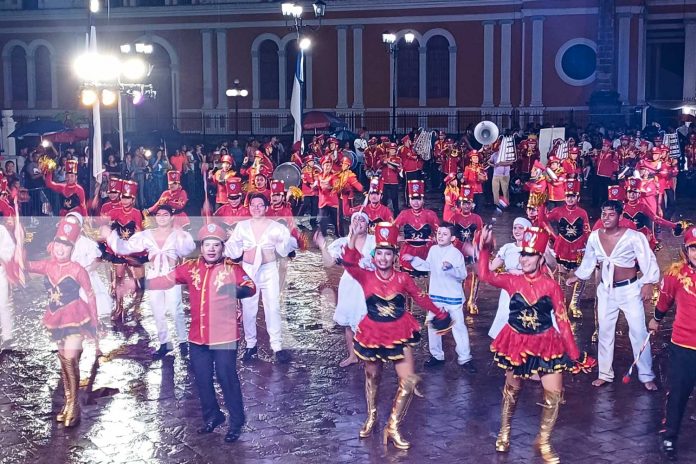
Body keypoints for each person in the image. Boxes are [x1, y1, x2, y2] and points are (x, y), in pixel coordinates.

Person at [478, 225, 594, 463]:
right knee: (512, 391)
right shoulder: (512, 281)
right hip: (516, 342)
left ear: (541, 257)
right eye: (523, 254)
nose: (524, 259)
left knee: (554, 395)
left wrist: (574, 354)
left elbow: (562, 321)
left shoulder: (551, 286)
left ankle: (543, 440)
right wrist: (485, 249)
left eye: (530, 254)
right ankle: (505, 430)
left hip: (546, 343)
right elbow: (485, 276)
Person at [341, 221, 452, 450]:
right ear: (374, 256)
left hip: (399, 331)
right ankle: (371, 416)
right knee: (373, 377)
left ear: (394, 256)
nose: (383, 258)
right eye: (379, 253)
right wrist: (352, 237)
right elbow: (349, 262)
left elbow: (421, 297)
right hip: (373, 331)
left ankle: (392, 425)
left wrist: (439, 312)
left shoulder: (403, 279)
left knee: (408, 380)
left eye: (387, 254)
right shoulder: (366, 276)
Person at [147, 223, 256, 443]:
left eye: (216, 245)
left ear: (222, 247)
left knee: (227, 379)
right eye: (208, 244)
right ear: (202, 246)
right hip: (198, 336)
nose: (212, 249)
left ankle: (236, 421)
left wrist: (234, 290)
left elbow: (250, 286)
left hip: (224, 336)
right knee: (203, 380)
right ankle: (213, 416)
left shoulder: (231, 268)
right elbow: (166, 280)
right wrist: (141, 283)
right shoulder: (190, 267)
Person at [567, 200, 659, 391]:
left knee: (638, 332)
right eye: (603, 214)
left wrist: (648, 283)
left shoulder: (633, 237)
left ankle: (646, 375)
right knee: (605, 331)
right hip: (606, 290)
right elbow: (589, 261)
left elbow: (647, 260)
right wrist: (577, 275)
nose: (606, 218)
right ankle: (605, 373)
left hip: (629, 290)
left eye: (611, 214)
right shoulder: (594, 237)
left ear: (620, 216)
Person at [22, 217, 99, 427]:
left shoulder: (77, 270)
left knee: (70, 358)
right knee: (63, 361)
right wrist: (20, 243)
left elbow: (91, 295)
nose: (61, 250)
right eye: (58, 244)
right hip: (55, 318)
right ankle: (68, 402)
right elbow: (25, 265)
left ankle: (74, 406)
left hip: (75, 317)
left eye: (66, 246)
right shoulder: (47, 266)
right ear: (53, 245)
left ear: (72, 249)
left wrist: (95, 321)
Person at [105, 205, 195, 357]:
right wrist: (112, 235)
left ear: (171, 217)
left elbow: (188, 249)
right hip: (154, 276)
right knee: (157, 310)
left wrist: (181, 236)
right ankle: (165, 343)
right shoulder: (147, 235)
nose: (161, 217)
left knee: (175, 310)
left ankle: (182, 341)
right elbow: (125, 248)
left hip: (172, 276)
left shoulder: (177, 234)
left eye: (165, 214)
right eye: (158, 214)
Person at [224, 193, 298, 363]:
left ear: (266, 208)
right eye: (253, 205)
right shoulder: (241, 226)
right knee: (248, 309)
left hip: (269, 270)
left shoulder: (276, 227)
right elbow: (233, 250)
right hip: (248, 271)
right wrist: (223, 243)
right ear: (249, 207)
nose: (256, 208)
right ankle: (251, 345)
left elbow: (284, 248)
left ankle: (277, 347)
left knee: (272, 307)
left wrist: (290, 240)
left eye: (260, 205)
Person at [405, 223, 476, 373]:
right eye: (439, 233)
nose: (440, 236)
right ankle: (436, 355)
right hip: (436, 295)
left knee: (459, 328)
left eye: (445, 234)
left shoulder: (456, 254)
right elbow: (427, 266)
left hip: (453, 296)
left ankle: (465, 358)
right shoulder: (433, 250)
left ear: (453, 238)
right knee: (433, 326)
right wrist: (413, 259)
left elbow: (462, 275)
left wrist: (451, 269)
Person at [651, 226, 696, 460]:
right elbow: (665, 300)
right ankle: (669, 436)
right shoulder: (675, 274)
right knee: (677, 393)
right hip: (683, 345)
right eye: (693, 248)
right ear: (685, 250)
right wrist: (655, 320)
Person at [314, 212, 375, 368]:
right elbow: (329, 262)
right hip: (349, 284)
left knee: (370, 319)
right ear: (350, 225)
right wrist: (322, 246)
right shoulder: (342, 242)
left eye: (362, 220)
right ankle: (352, 355)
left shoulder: (374, 241)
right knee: (348, 322)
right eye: (355, 219)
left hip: (369, 283)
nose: (358, 222)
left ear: (367, 225)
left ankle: (371, 354)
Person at [543, 179, 590, 318]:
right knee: (561, 276)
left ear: (578, 197)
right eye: (568, 196)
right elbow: (543, 220)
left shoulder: (582, 213)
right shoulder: (558, 211)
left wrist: (591, 247)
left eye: (573, 196)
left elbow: (587, 231)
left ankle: (575, 304)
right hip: (562, 247)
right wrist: (553, 235)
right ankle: (561, 302)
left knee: (579, 276)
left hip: (578, 247)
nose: (570, 199)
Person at [487, 217, 531, 339]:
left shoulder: (534, 248)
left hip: (528, 288)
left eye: (520, 228)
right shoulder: (507, 248)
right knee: (505, 315)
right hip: (509, 289)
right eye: (514, 228)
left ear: (528, 230)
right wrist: (483, 249)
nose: (516, 231)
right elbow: (491, 267)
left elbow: (549, 265)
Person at [394, 180, 439, 277]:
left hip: (425, 251)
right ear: (409, 200)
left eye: (419, 199)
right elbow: (393, 228)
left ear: (423, 200)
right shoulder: (404, 214)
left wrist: (436, 238)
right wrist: (397, 237)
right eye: (413, 199)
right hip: (408, 250)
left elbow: (438, 231)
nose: (416, 203)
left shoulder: (430, 214)